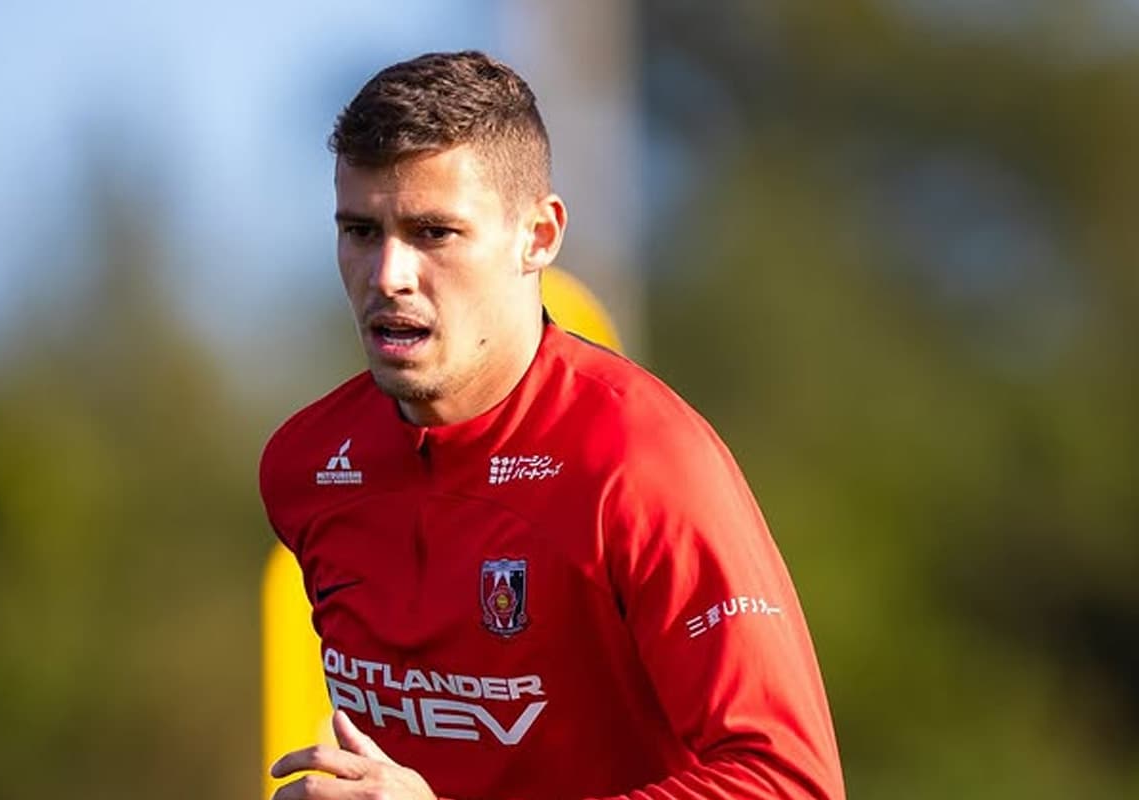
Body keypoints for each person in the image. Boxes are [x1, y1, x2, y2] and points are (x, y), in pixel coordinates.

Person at [259, 50, 845, 800]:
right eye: (361, 231)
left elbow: (788, 784)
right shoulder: (306, 467)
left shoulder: (642, 461)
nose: (389, 276)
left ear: (538, 236)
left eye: (434, 233)